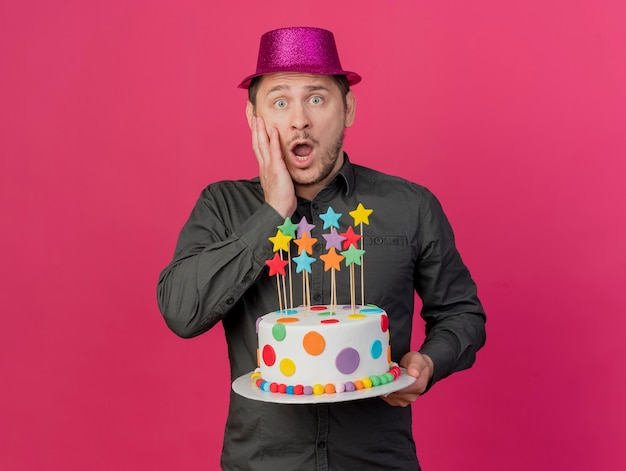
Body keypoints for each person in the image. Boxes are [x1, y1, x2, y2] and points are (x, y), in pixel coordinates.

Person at [157, 26, 486, 471]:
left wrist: (429, 362)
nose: (299, 120)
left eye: (316, 98)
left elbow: (461, 313)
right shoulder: (221, 206)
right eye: (279, 101)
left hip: (377, 462)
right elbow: (181, 312)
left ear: (347, 108)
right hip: (261, 463)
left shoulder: (411, 207)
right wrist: (273, 211)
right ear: (254, 118)